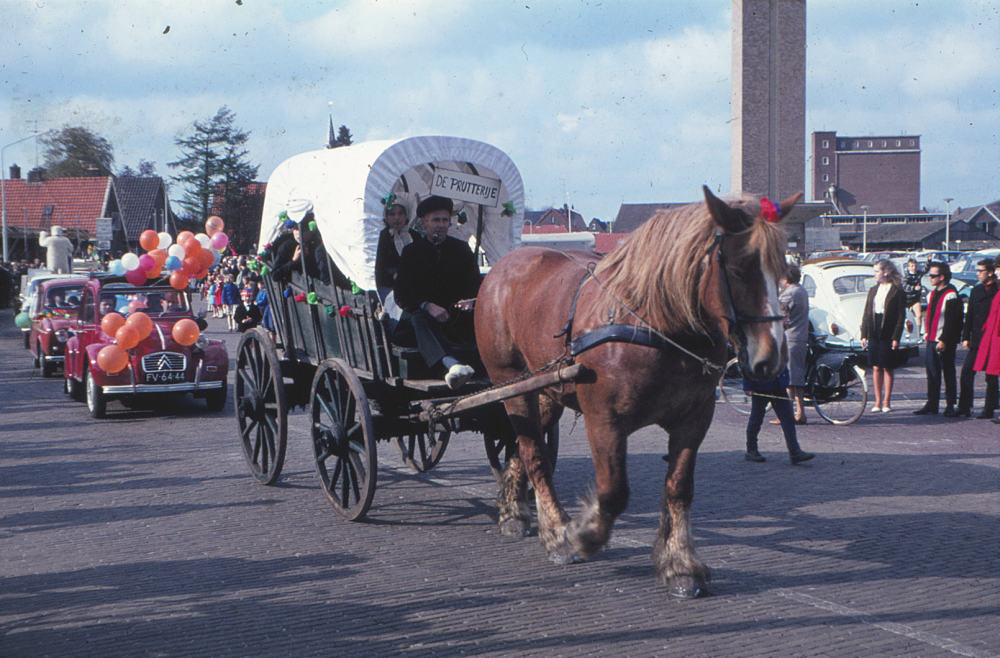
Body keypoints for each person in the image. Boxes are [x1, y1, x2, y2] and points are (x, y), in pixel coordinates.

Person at [394, 196, 482, 390]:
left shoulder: (461, 249)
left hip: (455, 317)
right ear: (424, 223)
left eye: (444, 220)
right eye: (435, 220)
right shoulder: (411, 252)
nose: (441, 225)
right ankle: (452, 365)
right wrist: (427, 305)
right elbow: (401, 294)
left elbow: (476, 284)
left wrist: (469, 300)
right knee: (418, 318)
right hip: (423, 324)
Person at [914, 262, 964, 416]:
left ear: (942, 277)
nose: (930, 278)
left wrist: (944, 340)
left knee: (948, 372)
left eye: (933, 275)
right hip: (931, 339)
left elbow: (953, 320)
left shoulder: (951, 294)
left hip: (944, 341)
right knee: (932, 373)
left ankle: (950, 404)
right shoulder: (931, 294)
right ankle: (932, 404)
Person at [860, 259, 906, 413]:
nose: (874, 275)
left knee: (888, 366)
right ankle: (877, 401)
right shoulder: (873, 290)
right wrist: (864, 334)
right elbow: (867, 313)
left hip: (888, 329)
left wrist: (896, 337)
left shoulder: (897, 290)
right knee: (875, 367)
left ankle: (887, 401)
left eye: (876, 271)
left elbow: (901, 316)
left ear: (885, 272)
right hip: (874, 329)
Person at [743, 368, 815, 465]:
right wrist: (747, 385)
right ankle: (751, 450)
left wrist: (784, 379)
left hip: (778, 385)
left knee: (788, 419)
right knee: (756, 419)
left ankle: (794, 451)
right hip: (760, 385)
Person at [962, 259, 1000, 418]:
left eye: (980, 270)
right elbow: (969, 315)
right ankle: (964, 406)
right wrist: (966, 336)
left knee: (991, 376)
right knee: (966, 372)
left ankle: (989, 408)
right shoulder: (976, 290)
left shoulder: (997, 290)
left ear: (990, 272)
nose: (977, 273)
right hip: (978, 338)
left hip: (992, 337)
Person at [778, 265, 809, 423]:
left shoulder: (788, 293)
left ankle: (790, 414)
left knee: (790, 379)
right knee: (796, 378)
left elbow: (781, 318)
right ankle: (799, 413)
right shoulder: (802, 290)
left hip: (790, 338)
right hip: (801, 336)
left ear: (786, 279)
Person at [375, 191, 420, 301]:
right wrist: (394, 277)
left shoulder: (414, 236)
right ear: (386, 216)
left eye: (400, 214)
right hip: (389, 285)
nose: (397, 218)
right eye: (392, 214)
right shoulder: (381, 238)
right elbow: (378, 270)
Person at [902, 258, 924, 336]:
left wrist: (929, 261)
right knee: (905, 316)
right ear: (908, 267)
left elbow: (926, 270)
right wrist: (914, 288)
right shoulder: (906, 277)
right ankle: (906, 332)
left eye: (915, 266)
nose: (913, 268)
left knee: (919, 315)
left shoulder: (918, 274)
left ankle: (918, 333)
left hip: (915, 299)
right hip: (907, 299)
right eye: (911, 266)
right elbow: (904, 286)